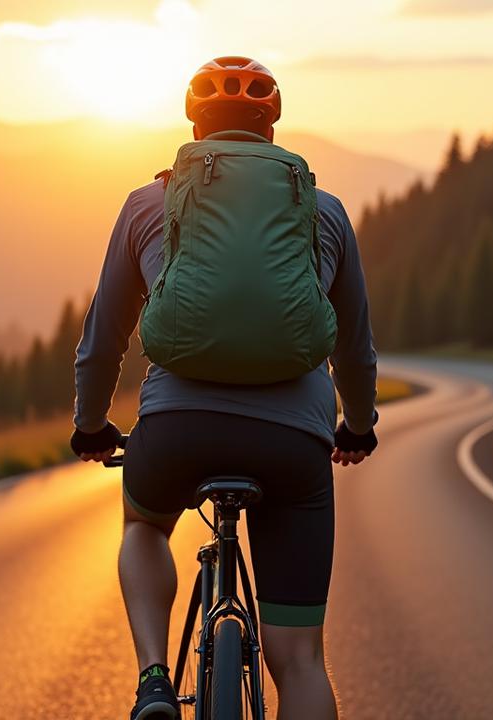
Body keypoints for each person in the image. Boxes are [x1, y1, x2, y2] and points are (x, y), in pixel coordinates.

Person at [71, 56, 379, 720]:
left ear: (196, 125)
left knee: (143, 527)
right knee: (301, 661)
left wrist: (90, 423)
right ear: (271, 128)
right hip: (294, 446)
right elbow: (354, 346)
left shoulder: (148, 204)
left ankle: (154, 678)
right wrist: (358, 425)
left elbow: (104, 338)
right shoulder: (322, 211)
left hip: (176, 434)